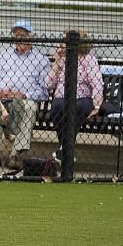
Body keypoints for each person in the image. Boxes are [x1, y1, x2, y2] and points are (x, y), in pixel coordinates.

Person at [0, 20, 51, 170]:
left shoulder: (41, 60)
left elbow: (44, 91)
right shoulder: (3, 56)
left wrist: (24, 95)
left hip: (23, 100)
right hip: (0, 98)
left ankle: (15, 154)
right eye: (17, 35)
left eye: (23, 35)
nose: (20, 39)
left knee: (30, 107)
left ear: (31, 38)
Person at [46, 28, 104, 161]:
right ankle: (66, 149)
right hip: (62, 98)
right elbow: (48, 85)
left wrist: (96, 106)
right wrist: (56, 61)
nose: (61, 43)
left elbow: (97, 84)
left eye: (64, 40)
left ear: (76, 43)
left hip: (82, 99)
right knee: (57, 106)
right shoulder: (62, 59)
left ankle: (64, 148)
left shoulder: (88, 60)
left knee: (79, 107)